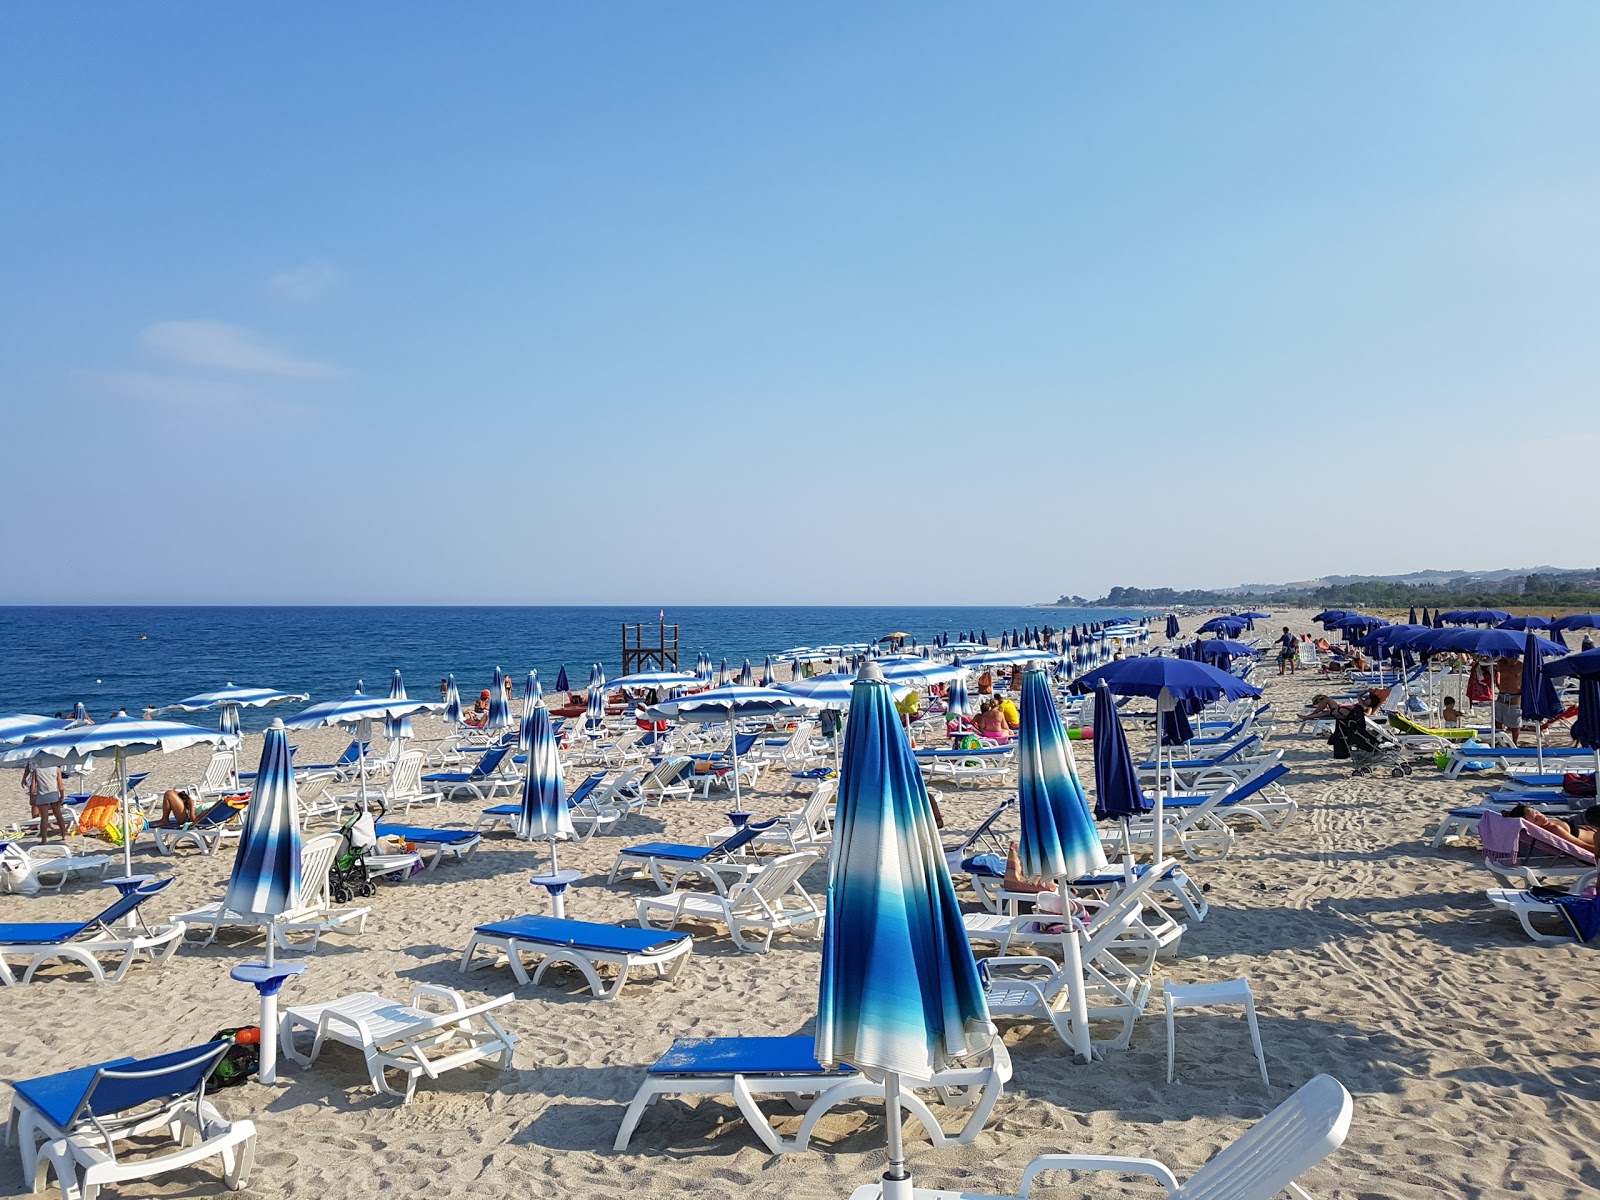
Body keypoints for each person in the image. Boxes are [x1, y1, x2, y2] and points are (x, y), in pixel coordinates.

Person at [1503, 804, 1600, 853]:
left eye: (1537, 812)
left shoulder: (1547, 823)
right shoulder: (1554, 829)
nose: (1541, 817)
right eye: (1536, 819)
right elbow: (1582, 847)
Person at [24, 761, 68, 842]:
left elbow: (33, 786)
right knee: (58, 816)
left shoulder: (37, 770)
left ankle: (44, 839)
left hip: (42, 796)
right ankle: (64, 834)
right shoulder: (56, 769)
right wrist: (62, 796)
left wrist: (31, 797)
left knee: (44, 819)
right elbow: (60, 784)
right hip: (53, 795)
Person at [1492, 656, 1523, 747]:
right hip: (1502, 694)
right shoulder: (1501, 663)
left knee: (1515, 720)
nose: (1513, 659)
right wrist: (1497, 683)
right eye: (1511, 657)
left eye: (1515, 657)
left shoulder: (1521, 665)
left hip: (1515, 695)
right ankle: (1500, 741)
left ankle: (1514, 742)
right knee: (1498, 719)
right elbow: (1496, 672)